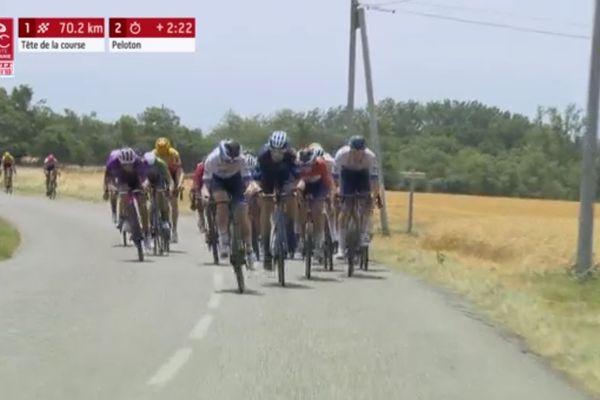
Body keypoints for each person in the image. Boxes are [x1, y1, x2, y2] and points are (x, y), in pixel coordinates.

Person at [201, 139, 256, 267]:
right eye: (227, 161)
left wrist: (250, 189)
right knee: (221, 202)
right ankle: (224, 239)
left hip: (235, 180)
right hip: (218, 181)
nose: (230, 163)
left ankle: (249, 248)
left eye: (233, 161)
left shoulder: (242, 159)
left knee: (243, 213)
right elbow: (206, 184)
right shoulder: (212, 159)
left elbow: (248, 180)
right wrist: (205, 194)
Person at [254, 130, 300, 269]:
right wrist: (259, 190)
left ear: (286, 149)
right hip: (267, 178)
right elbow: (256, 176)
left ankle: (291, 230)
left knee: (291, 197)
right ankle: (266, 248)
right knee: (266, 207)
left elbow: (296, 175)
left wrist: (294, 188)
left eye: (281, 152)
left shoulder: (292, 155)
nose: (277, 154)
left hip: (285, 178)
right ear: (269, 148)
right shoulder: (262, 155)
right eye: (274, 151)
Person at [334, 135, 381, 259]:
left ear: (364, 151)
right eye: (354, 152)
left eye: (360, 152)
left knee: (366, 203)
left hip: (363, 175)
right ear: (350, 150)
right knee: (345, 209)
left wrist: (374, 197)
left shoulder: (370, 157)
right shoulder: (341, 155)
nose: (357, 155)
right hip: (346, 175)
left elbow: (375, 181)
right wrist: (337, 191)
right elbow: (334, 178)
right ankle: (341, 247)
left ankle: (364, 232)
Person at [103, 147, 151, 250]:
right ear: (120, 162)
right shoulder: (113, 163)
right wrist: (111, 189)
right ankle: (124, 216)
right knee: (123, 195)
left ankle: (147, 233)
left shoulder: (139, 162)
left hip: (135, 180)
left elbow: (146, 179)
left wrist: (144, 185)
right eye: (125, 164)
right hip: (121, 180)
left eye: (130, 164)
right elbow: (108, 180)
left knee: (143, 205)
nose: (128, 166)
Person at [296, 147, 334, 259]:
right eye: (303, 166)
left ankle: (319, 242)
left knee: (318, 210)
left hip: (319, 185)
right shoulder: (296, 165)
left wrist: (330, 199)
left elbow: (329, 184)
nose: (306, 168)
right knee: (300, 208)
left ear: (313, 161)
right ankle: (301, 239)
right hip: (303, 185)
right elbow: (294, 183)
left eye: (308, 165)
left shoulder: (321, 164)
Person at [153, 137, 184, 243]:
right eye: (160, 150)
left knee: (174, 204)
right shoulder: (153, 154)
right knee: (155, 196)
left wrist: (179, 184)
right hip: (158, 175)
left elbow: (179, 171)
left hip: (171, 174)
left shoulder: (174, 154)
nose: (162, 153)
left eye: (164, 151)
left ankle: (174, 230)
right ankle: (154, 221)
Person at [143, 151, 173, 236]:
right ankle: (150, 225)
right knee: (150, 206)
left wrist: (170, 188)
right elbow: (141, 178)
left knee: (162, 196)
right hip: (148, 180)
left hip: (160, 180)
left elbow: (169, 178)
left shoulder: (161, 163)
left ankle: (165, 220)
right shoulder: (143, 164)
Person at [103, 149, 121, 223]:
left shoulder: (124, 162)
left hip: (122, 177)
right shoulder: (110, 164)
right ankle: (114, 212)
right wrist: (106, 191)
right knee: (113, 193)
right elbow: (106, 179)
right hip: (112, 178)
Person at [189, 160, 207, 233]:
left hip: (211, 183)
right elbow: (196, 183)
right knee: (198, 199)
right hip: (200, 184)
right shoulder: (200, 168)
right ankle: (201, 220)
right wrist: (197, 194)